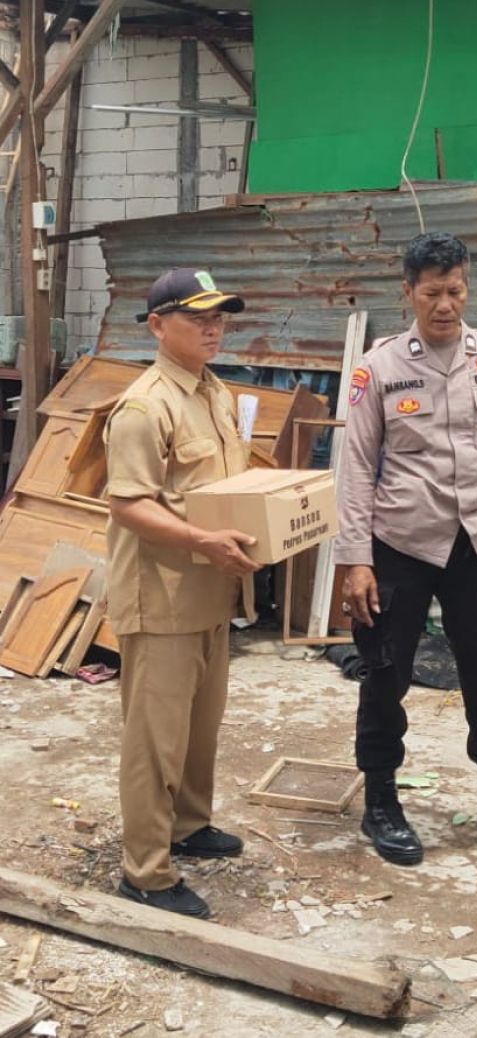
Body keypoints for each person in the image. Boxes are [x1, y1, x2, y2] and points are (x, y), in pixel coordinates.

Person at [335, 231, 477, 866]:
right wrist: (355, 560)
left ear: (467, 288)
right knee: (385, 675)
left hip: (475, 544)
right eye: (432, 293)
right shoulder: (378, 368)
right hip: (399, 544)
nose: (445, 305)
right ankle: (381, 800)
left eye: (455, 291)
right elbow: (356, 468)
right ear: (408, 292)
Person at [104, 268, 259, 918]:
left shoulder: (213, 392)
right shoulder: (145, 407)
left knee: (200, 725)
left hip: (209, 593)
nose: (213, 327)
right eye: (197, 318)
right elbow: (129, 504)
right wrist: (203, 542)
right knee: (155, 740)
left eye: (218, 316)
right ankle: (145, 870)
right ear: (157, 326)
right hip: (161, 598)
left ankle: (189, 826)